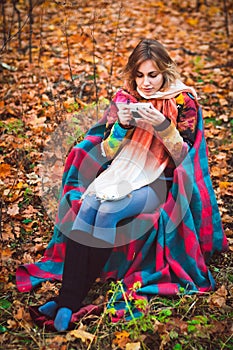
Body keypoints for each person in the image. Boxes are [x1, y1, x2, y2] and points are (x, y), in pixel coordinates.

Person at [16, 39, 228, 331]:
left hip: (161, 180)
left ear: (164, 70)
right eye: (140, 75)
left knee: (107, 213)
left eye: (152, 75)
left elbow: (184, 157)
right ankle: (69, 299)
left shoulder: (183, 101)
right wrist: (122, 126)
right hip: (122, 172)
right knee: (89, 206)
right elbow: (108, 151)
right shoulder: (127, 98)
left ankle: (67, 301)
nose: (146, 83)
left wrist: (163, 126)